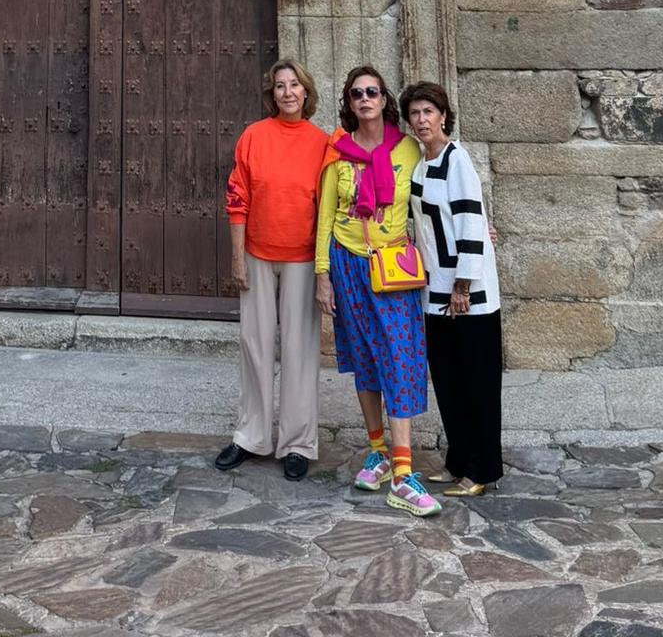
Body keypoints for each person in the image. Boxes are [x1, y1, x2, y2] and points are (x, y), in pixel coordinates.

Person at [314, 64, 438, 517]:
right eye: (356, 94)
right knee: (365, 356)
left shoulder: (409, 150)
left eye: (373, 92)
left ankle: (404, 475)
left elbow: (430, 200)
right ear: (348, 103)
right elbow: (325, 215)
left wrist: (477, 227)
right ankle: (378, 452)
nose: (365, 99)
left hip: (393, 267)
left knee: (400, 357)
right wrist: (322, 274)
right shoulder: (337, 153)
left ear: (385, 101)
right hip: (347, 263)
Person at [215, 58, 330, 480]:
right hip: (258, 255)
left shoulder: (322, 143)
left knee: (300, 350)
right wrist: (237, 256)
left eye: (294, 85)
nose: (287, 92)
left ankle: (298, 443)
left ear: (306, 92)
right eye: (280, 85)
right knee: (255, 345)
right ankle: (251, 436)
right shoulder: (253, 137)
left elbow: (327, 208)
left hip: (302, 257)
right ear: (272, 93)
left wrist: (324, 269)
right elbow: (237, 197)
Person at [402, 80, 503, 497]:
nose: (422, 120)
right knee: (448, 380)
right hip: (435, 291)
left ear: (443, 116)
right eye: (415, 113)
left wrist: (463, 283)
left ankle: (481, 471)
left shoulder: (456, 158)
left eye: (429, 111)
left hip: (469, 295)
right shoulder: (422, 165)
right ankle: (458, 460)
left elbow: (467, 220)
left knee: (477, 382)